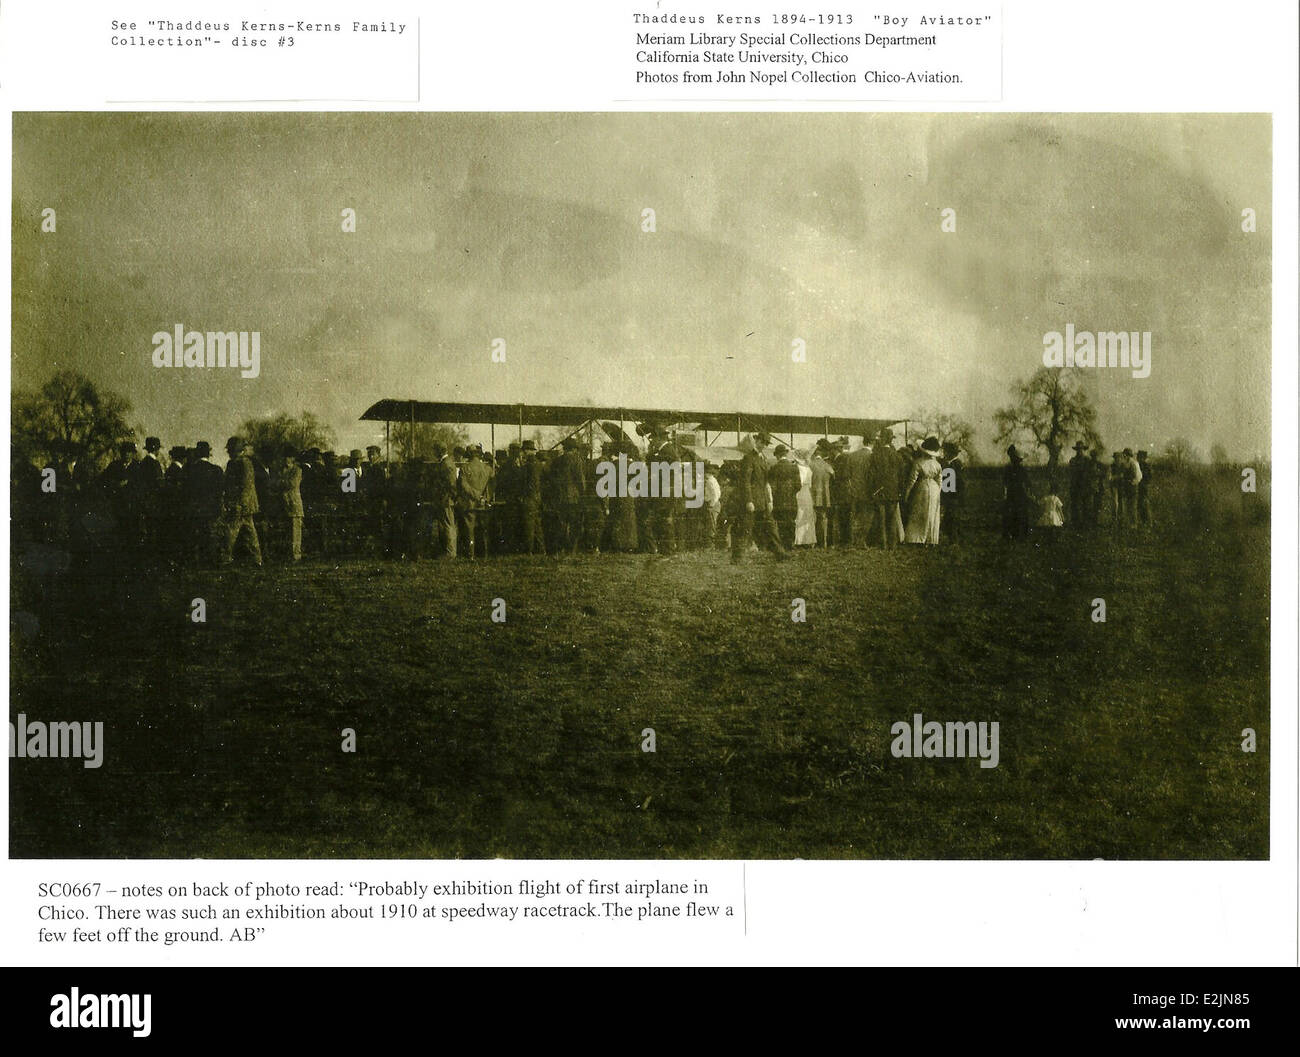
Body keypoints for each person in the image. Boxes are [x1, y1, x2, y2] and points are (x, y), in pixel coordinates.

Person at [731, 434, 789, 562]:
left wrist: (769, 500)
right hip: (752, 501)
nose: (764, 445)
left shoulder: (762, 459)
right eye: (762, 442)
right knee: (745, 529)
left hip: (762, 500)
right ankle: (737, 558)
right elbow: (745, 481)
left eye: (766, 443)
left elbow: (765, 482)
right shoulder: (749, 458)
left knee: (770, 526)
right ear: (756, 441)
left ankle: (780, 553)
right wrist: (748, 501)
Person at [220, 436, 262, 565]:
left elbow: (246, 486)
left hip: (242, 503)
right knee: (249, 531)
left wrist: (240, 504)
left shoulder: (244, 463)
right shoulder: (234, 463)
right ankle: (257, 558)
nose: (228, 452)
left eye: (230, 449)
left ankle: (226, 558)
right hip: (241, 503)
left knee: (231, 530)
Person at [185, 441, 224, 563]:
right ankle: (210, 559)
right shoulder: (216, 470)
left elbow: (187, 491)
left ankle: (196, 560)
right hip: (212, 508)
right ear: (209, 454)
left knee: (196, 535)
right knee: (210, 535)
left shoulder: (190, 471)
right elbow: (220, 490)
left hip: (195, 508)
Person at [866, 429, 905, 548]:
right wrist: (900, 490)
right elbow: (901, 476)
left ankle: (883, 543)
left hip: (879, 490)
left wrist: (871, 490)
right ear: (891, 439)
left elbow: (870, 475)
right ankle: (892, 544)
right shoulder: (897, 455)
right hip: (893, 491)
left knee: (881, 518)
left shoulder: (875, 455)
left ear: (882, 439)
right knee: (891, 518)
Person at [903, 436, 943, 544]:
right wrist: (937, 491)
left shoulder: (918, 462)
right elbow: (940, 481)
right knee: (932, 513)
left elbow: (912, 480)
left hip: (923, 486)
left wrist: (907, 493)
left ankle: (917, 538)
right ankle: (931, 539)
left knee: (919, 511)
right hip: (934, 488)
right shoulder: (937, 464)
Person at [457, 445, 493, 558]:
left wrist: (476, 496)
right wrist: (485, 498)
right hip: (483, 503)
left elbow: (463, 486)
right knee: (483, 530)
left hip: (470, 503)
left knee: (470, 531)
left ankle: (471, 554)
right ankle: (485, 554)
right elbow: (491, 485)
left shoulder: (465, 468)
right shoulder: (487, 469)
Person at [769, 445, 802, 549]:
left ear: (778, 455)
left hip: (779, 502)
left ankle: (782, 545)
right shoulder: (794, 467)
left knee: (780, 524)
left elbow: (772, 487)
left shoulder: (774, 468)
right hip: (791, 501)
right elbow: (798, 486)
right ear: (786, 454)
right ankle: (790, 544)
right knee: (791, 523)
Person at [1002, 444, 1032, 540]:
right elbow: (1028, 483)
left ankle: (1017, 534)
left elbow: (1005, 483)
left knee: (1016, 514)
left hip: (1015, 494)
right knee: (1020, 514)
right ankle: (1020, 534)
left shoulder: (1010, 469)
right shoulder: (1020, 469)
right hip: (1018, 494)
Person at [809, 440, 835, 547]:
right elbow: (834, 477)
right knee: (823, 519)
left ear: (815, 453)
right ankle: (824, 543)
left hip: (813, 495)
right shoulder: (828, 466)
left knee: (814, 519)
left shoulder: (810, 465)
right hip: (825, 496)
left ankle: (815, 542)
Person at [939, 441, 964, 544]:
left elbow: (960, 482)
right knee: (949, 516)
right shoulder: (948, 463)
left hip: (953, 494)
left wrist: (958, 494)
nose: (944, 454)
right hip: (947, 493)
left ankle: (954, 539)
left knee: (952, 517)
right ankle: (952, 536)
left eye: (946, 452)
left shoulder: (956, 464)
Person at [1068, 440, 1091, 528]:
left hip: (1085, 485)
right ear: (1076, 450)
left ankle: (1086, 523)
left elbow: (1089, 473)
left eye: (1081, 449)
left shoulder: (1087, 460)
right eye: (1078, 449)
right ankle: (1076, 523)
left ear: (1083, 450)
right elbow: (1072, 472)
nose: (1080, 451)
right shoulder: (1073, 460)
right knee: (1075, 505)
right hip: (1075, 485)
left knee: (1086, 505)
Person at [1136, 450, 1154, 526]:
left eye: (1139, 456)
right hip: (1142, 486)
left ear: (1142, 458)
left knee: (1145, 504)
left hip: (1144, 486)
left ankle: (1149, 522)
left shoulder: (1145, 466)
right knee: (1141, 504)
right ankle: (1144, 522)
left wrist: (1143, 482)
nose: (1137, 458)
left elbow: (1148, 477)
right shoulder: (1141, 465)